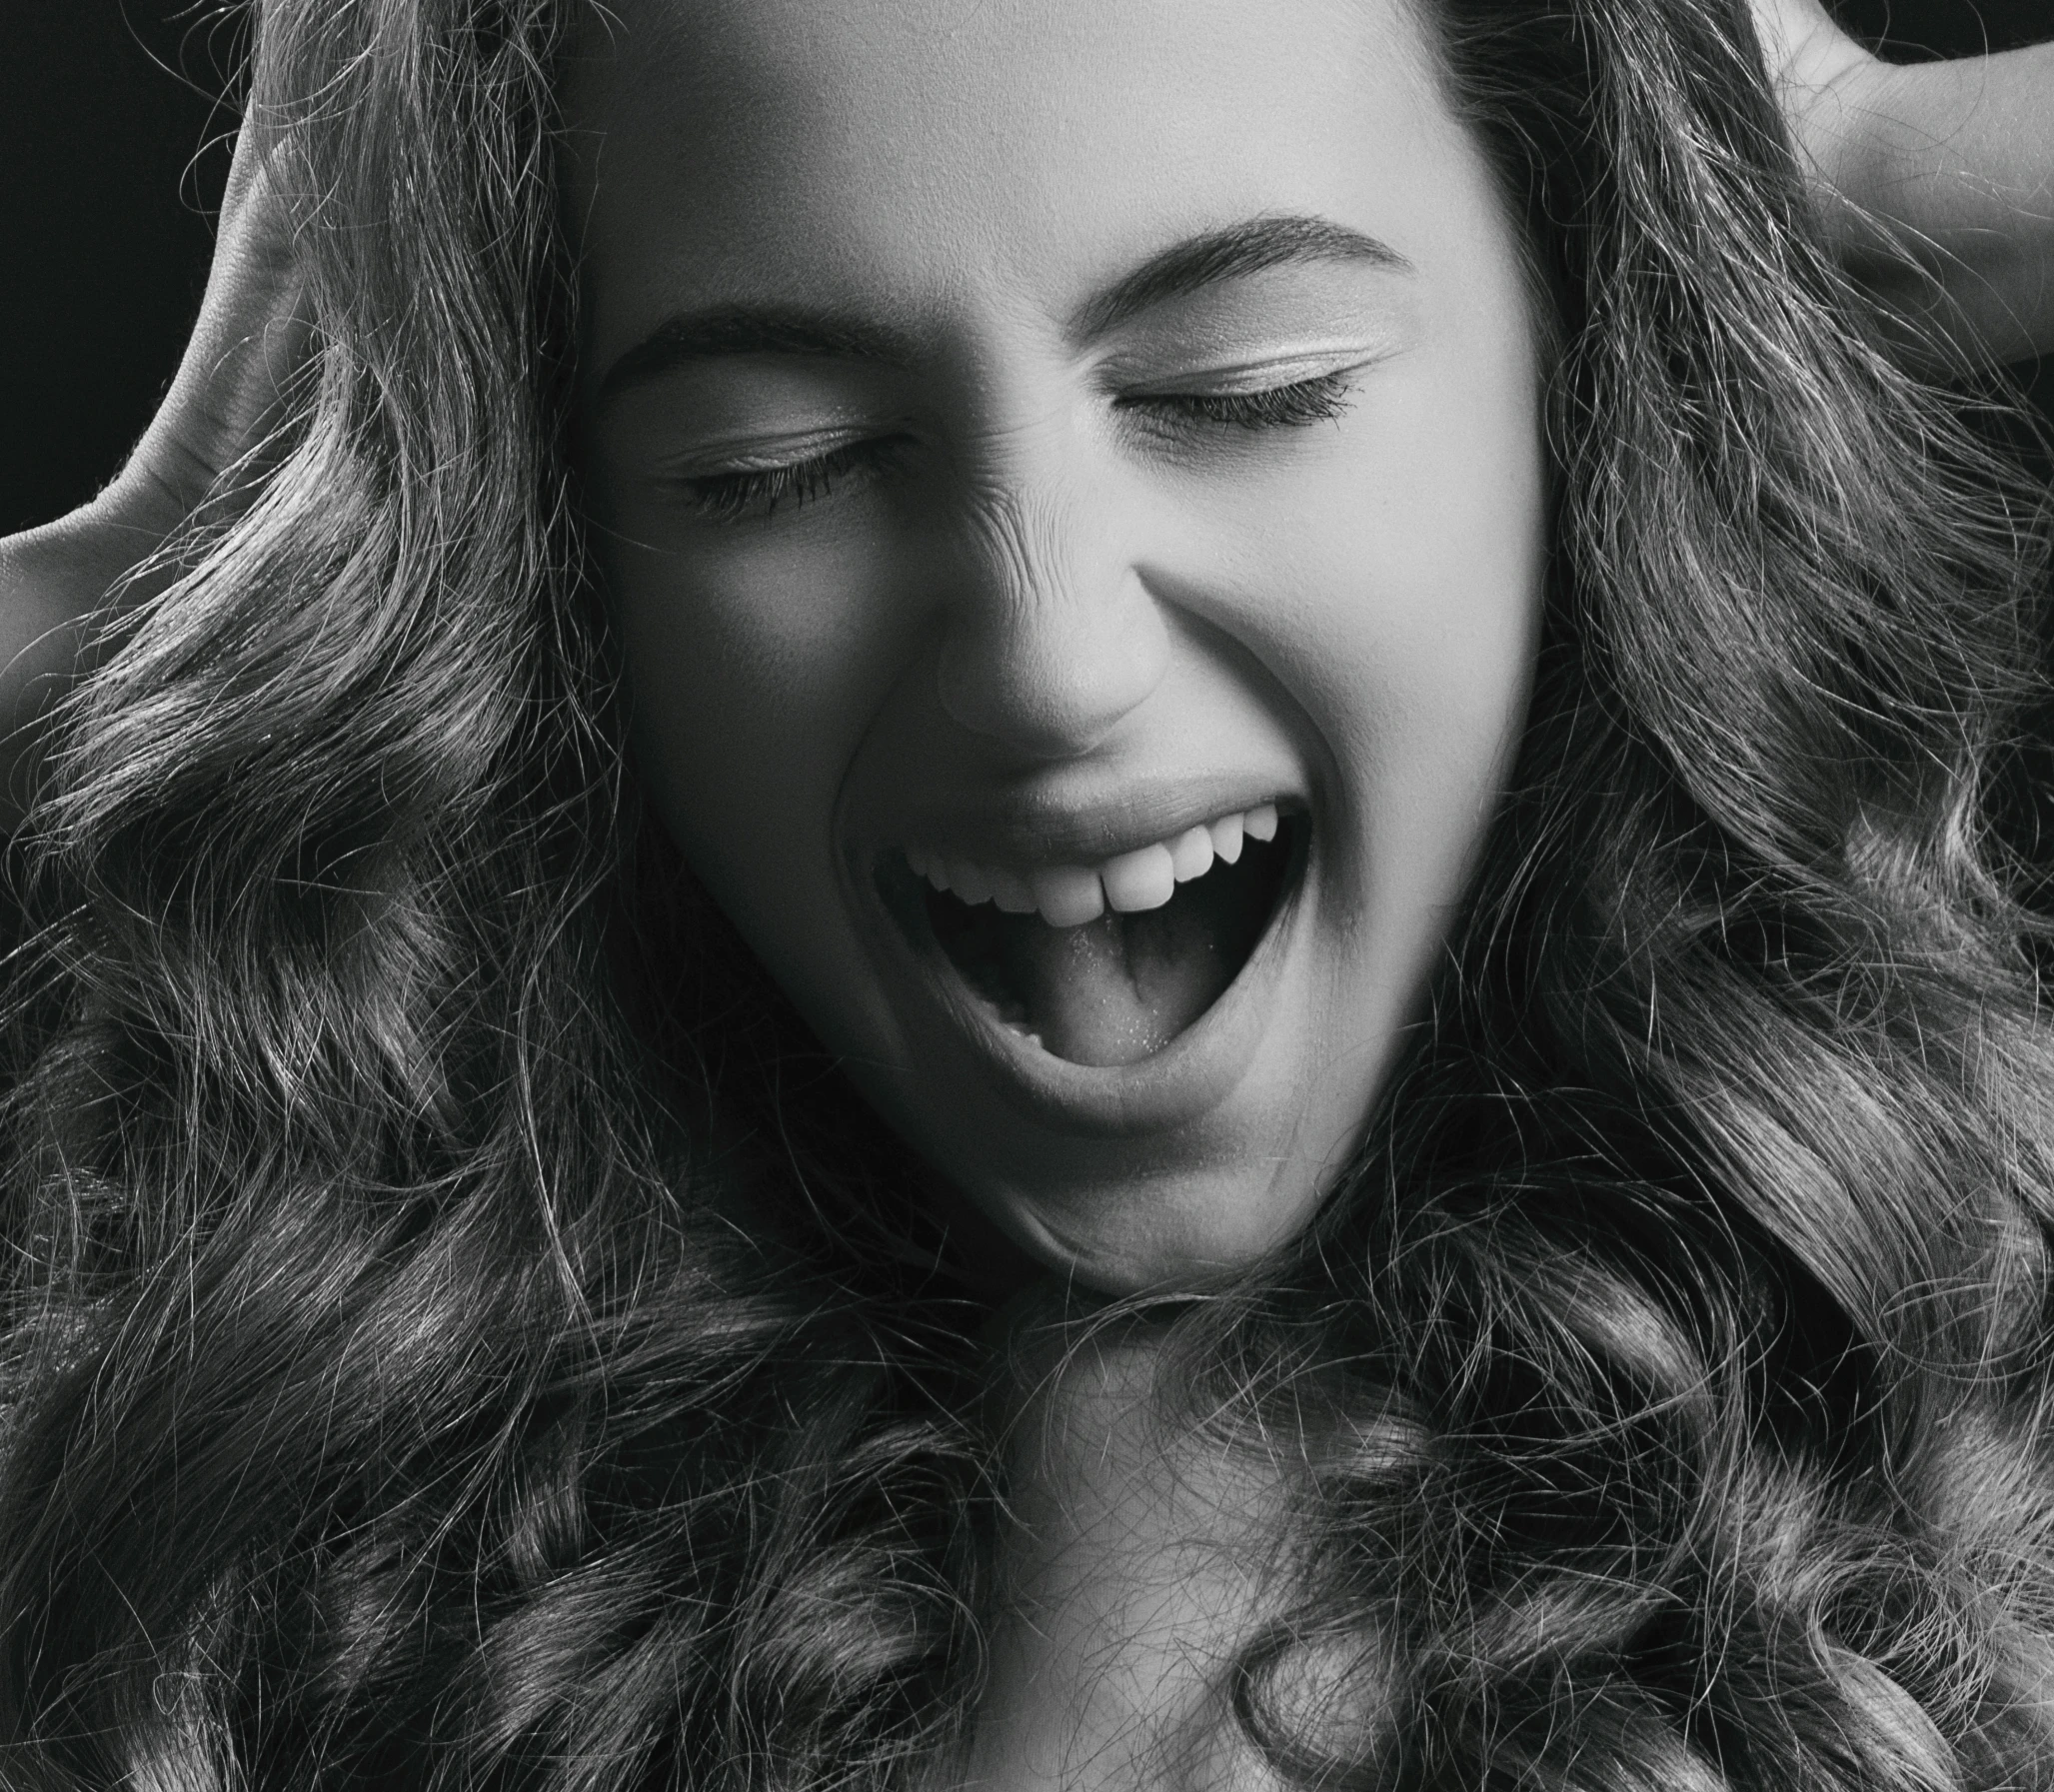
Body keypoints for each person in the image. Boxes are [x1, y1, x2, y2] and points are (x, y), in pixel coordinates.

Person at [0, 0, 2051, 1786]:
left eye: (1246, 384)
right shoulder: (312, 1547)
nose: (1045, 661)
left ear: (1585, 368)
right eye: (770, 461)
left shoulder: (1968, 1417)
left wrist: (1883, 174)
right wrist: (132, 577)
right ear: (562, 583)